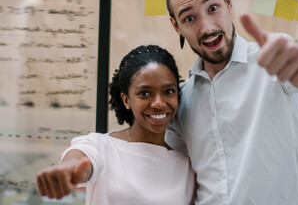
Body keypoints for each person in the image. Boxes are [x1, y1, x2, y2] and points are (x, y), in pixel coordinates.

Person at [164, 0, 298, 204]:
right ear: (176, 26)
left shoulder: (273, 60)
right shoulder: (181, 99)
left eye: (213, 8)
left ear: (228, 3)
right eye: (190, 18)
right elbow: (180, 181)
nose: (208, 27)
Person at [36, 45, 195, 205]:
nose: (158, 103)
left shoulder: (186, 166)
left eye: (168, 91)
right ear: (126, 100)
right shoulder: (101, 146)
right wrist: (69, 170)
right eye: (144, 93)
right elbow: (78, 159)